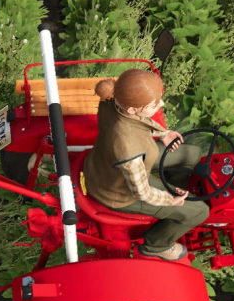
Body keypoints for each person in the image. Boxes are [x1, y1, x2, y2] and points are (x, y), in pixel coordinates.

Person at [81, 68, 210, 261]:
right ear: (133, 108)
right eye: (155, 103)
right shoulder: (128, 149)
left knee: (191, 154)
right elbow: (142, 192)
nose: (162, 104)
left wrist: (163, 133)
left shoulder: (113, 98)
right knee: (200, 211)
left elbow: (139, 120)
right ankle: (156, 245)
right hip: (117, 192)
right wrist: (169, 200)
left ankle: (175, 205)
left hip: (106, 164)